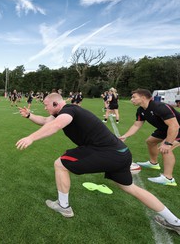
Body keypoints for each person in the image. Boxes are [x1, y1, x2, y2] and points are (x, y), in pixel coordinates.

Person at [15, 93, 180, 234]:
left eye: (46, 105)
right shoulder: (63, 111)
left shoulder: (69, 110)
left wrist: (31, 138)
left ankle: (63, 206)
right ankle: (175, 221)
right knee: (130, 188)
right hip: (121, 153)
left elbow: (56, 125)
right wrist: (29, 116)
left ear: (56, 103)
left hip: (106, 153)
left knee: (60, 164)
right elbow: (46, 121)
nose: (45, 108)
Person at [119, 88, 179, 186]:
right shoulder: (141, 110)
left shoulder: (159, 107)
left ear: (143, 98)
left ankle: (168, 178)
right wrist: (125, 136)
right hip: (165, 129)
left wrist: (168, 143)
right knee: (150, 141)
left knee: (166, 148)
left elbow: (174, 126)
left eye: (134, 97)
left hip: (177, 128)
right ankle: (153, 163)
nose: (131, 99)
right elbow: (136, 125)